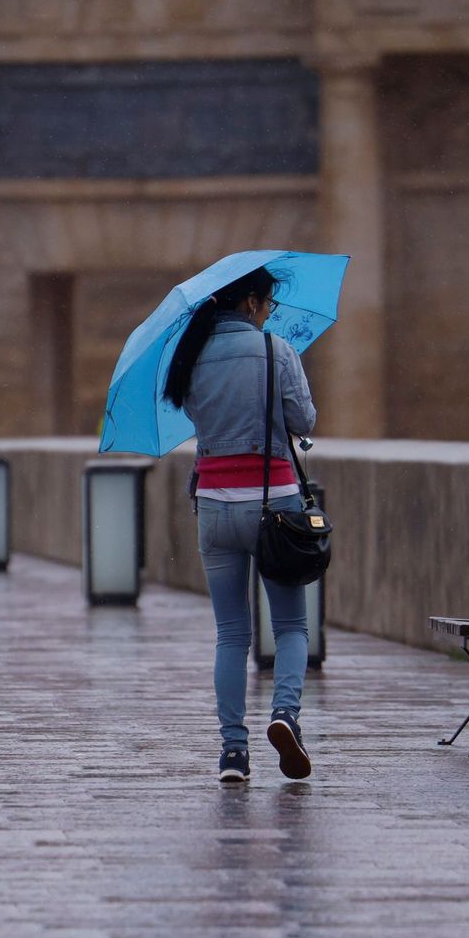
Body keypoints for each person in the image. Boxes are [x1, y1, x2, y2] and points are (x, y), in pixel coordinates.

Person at [162, 266, 316, 784]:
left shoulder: (190, 356)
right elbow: (304, 421)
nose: (270, 312)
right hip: (275, 506)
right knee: (290, 626)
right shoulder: (276, 351)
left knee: (231, 634)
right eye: (269, 303)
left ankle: (233, 752)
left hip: (214, 504)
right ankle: (284, 714)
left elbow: (197, 416)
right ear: (251, 302)